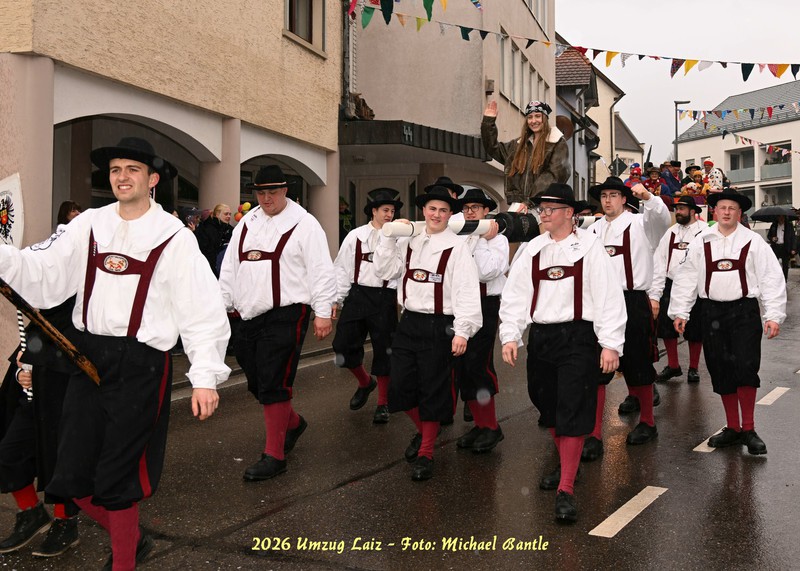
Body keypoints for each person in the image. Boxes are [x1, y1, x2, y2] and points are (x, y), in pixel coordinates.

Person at [0, 136, 230, 570]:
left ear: (153, 179)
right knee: (72, 474)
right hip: (87, 357)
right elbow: (43, 271)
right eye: (115, 170)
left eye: (133, 170)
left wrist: (204, 376)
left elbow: (201, 308)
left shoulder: (174, 238)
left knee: (120, 477)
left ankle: (124, 559)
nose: (122, 177)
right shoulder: (88, 224)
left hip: (142, 364)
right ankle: (133, 538)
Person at [499, 183, 625, 522]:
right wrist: (510, 335)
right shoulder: (533, 249)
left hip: (579, 337)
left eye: (550, 209)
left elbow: (609, 296)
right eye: (542, 209)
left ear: (569, 213)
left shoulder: (590, 247)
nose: (543, 214)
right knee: (548, 404)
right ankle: (569, 463)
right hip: (542, 337)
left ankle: (566, 488)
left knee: (572, 406)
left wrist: (610, 344)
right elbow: (516, 295)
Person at [219, 165, 336, 481]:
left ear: (285, 190)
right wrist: (222, 306)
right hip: (248, 314)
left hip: (287, 312)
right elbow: (230, 268)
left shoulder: (305, 224)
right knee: (257, 381)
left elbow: (321, 270)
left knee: (273, 380)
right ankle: (293, 423)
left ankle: (274, 456)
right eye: (260, 192)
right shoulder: (247, 224)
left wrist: (323, 312)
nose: (266, 198)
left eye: (272, 192)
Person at [373, 186, 482, 481]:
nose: (437, 215)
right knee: (400, 387)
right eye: (432, 209)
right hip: (409, 322)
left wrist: (462, 331)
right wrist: (387, 237)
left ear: (449, 215)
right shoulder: (410, 241)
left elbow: (467, 290)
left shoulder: (457, 247)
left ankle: (426, 452)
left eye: (443, 210)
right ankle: (425, 433)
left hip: (440, 325)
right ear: (423, 211)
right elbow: (384, 271)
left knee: (433, 390)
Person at [669, 189, 786, 455]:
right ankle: (733, 427)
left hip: (744, 312)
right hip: (711, 312)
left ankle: (749, 429)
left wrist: (773, 315)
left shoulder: (753, 242)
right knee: (720, 369)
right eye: (722, 207)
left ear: (739, 213)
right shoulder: (701, 241)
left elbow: (771, 278)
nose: (726, 212)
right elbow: (686, 277)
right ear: (714, 211)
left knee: (745, 367)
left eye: (732, 208)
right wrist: (680, 311)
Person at [586, 176, 670, 454]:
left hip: (631, 300)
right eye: (604, 196)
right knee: (597, 366)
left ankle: (647, 422)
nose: (608, 200)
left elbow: (662, 219)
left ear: (624, 199)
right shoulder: (593, 229)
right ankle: (594, 434)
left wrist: (648, 197)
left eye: (613, 195)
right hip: (600, 303)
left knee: (638, 362)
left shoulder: (640, 224)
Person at [332, 189, 402, 424]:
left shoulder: (399, 238)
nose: (389, 214)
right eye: (385, 210)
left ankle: (383, 402)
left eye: (392, 211)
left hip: (385, 297)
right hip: (358, 294)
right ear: (374, 211)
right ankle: (364, 382)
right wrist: (336, 299)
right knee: (342, 346)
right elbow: (341, 268)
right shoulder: (356, 236)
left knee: (385, 351)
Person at [453, 188, 508, 453]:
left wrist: (484, 241)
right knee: (463, 366)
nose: (470, 212)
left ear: (486, 211)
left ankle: (492, 426)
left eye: (476, 207)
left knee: (479, 364)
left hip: (485, 304)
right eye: (466, 208)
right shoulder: (461, 237)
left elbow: (487, 272)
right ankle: (479, 423)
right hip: (462, 304)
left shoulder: (498, 240)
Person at [648, 196, 707, 384]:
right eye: (677, 209)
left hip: (695, 286)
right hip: (671, 284)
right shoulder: (670, 233)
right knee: (666, 327)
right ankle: (673, 365)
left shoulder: (705, 231)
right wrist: (656, 292)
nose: (678, 212)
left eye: (682, 209)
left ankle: (693, 368)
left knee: (695, 328)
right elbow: (659, 262)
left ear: (693, 211)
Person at [481, 100, 570, 211]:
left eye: (538, 116)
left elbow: (554, 175)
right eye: (530, 117)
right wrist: (488, 122)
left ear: (545, 118)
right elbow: (493, 148)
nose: (533, 121)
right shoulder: (518, 145)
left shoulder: (557, 143)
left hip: (543, 206)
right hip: (518, 205)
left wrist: (530, 202)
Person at [195, 203, 233, 277]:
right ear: (217, 214)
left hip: (225, 268)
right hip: (210, 268)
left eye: (230, 214)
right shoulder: (206, 228)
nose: (228, 216)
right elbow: (206, 250)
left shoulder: (230, 229)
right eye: (226, 214)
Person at [767, 215, 796, 281]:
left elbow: (793, 237)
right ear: (777, 217)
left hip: (785, 247)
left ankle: (784, 280)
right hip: (776, 247)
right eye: (779, 217)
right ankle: (775, 279)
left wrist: (793, 248)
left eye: (782, 217)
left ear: (785, 217)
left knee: (785, 266)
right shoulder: (774, 225)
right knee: (774, 264)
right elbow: (769, 236)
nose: (781, 218)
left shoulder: (789, 225)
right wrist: (772, 238)